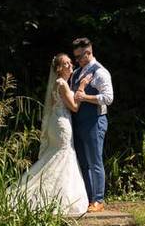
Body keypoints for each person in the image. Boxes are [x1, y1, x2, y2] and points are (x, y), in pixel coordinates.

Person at [9, 53, 91, 215]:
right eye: (66, 64)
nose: (70, 65)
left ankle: (44, 193)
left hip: (56, 122)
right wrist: (81, 87)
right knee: (63, 155)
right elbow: (74, 106)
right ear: (59, 69)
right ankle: (60, 198)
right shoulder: (62, 84)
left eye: (70, 63)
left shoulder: (58, 82)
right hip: (62, 125)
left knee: (54, 156)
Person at [69, 37, 114, 212]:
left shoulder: (101, 72)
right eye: (76, 57)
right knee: (83, 163)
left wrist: (85, 97)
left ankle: (98, 200)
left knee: (95, 162)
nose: (77, 60)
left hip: (95, 121)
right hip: (79, 122)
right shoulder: (77, 73)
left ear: (89, 52)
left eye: (80, 56)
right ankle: (88, 198)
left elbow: (108, 99)